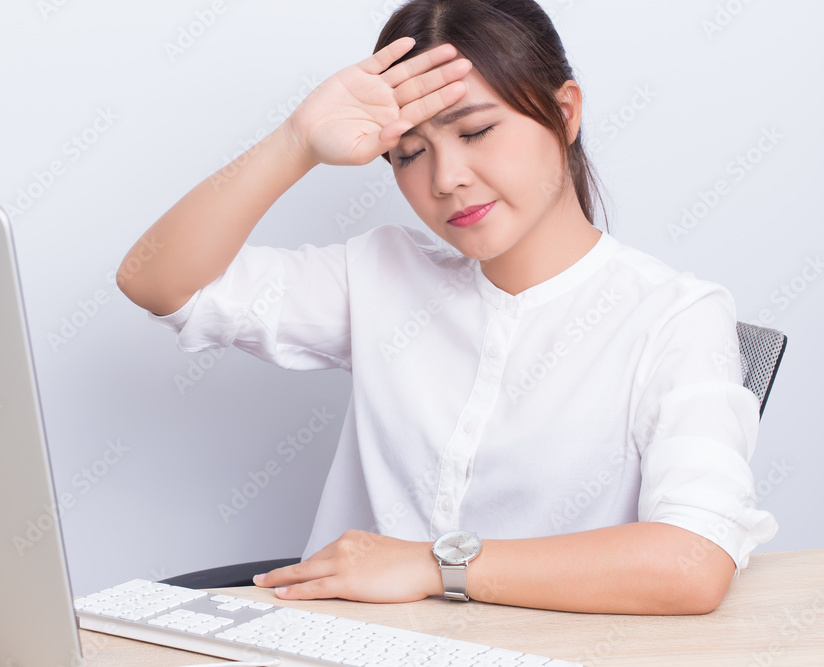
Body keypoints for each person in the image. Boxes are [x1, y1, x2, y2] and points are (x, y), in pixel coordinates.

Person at [117, 0, 776, 614]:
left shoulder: (675, 318)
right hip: (335, 641)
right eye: (409, 154)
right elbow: (156, 281)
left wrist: (434, 565)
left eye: (477, 130)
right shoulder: (381, 275)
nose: (445, 178)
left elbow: (695, 561)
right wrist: (296, 142)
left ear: (566, 112)